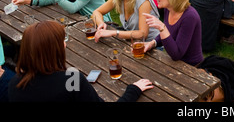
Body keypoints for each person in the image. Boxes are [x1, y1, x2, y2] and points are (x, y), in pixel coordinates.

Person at [8, 21, 152, 102]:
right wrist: (133, 90)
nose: (64, 44)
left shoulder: (15, 83)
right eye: (61, 41)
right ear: (52, 49)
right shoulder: (70, 80)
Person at [143, 0, 203, 67]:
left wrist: (162, 28)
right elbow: (168, 34)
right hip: (175, 63)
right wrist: (152, 43)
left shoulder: (190, 17)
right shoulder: (169, 9)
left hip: (191, 67)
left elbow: (177, 54)